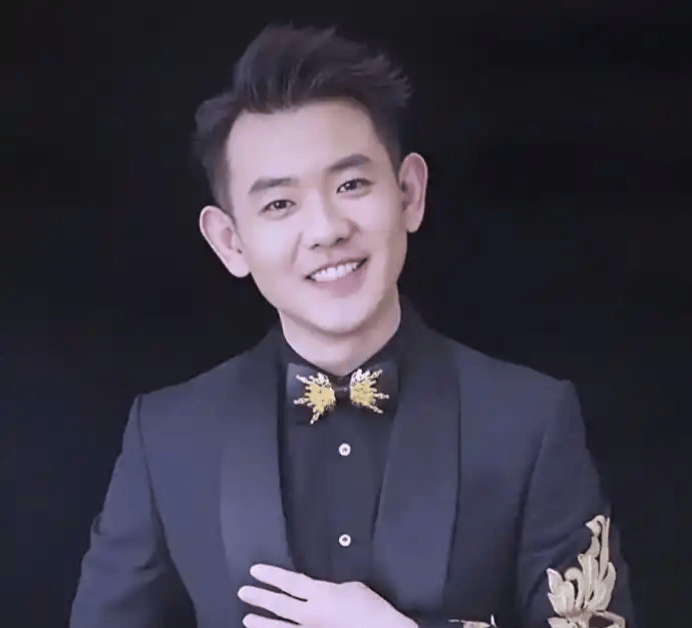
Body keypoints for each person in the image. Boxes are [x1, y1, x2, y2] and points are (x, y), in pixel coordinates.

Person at [70, 23, 637, 628]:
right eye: (280, 204)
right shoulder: (166, 436)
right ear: (230, 241)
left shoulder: (530, 421)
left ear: (409, 193)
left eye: (351, 184)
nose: (326, 229)